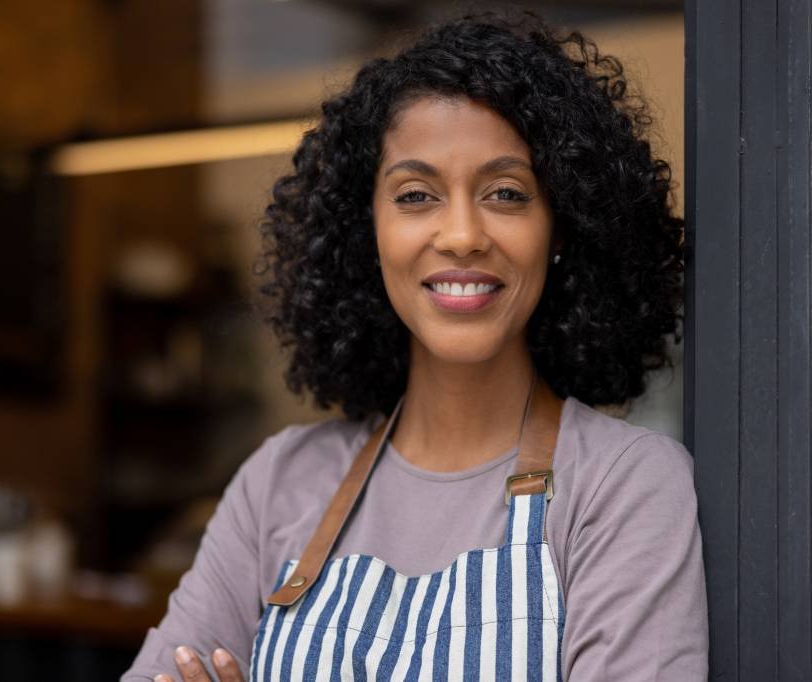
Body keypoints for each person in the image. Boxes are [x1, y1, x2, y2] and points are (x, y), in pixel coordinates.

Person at [123, 7, 708, 681]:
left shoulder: (624, 486)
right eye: (416, 195)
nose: (461, 234)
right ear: (363, 233)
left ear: (563, 231)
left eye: (507, 192)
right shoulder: (280, 482)